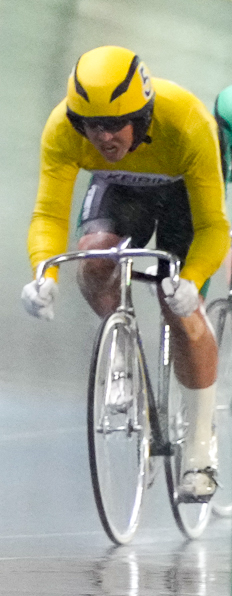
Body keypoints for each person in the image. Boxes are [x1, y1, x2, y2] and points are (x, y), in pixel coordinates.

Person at [22, 46, 226, 501]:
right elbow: (48, 215)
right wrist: (44, 274)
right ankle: (121, 354)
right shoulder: (62, 128)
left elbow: (213, 226)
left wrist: (191, 280)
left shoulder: (189, 123)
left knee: (179, 309)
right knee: (94, 257)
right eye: (92, 126)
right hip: (118, 186)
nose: (105, 138)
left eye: (115, 124)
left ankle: (199, 448)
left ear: (144, 115)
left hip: (181, 195)